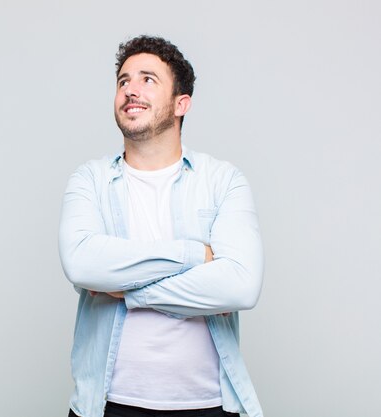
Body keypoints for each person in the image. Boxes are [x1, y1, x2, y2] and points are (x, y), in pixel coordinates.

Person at [58, 35, 264, 417]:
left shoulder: (222, 180)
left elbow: (240, 285)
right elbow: (82, 265)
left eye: (147, 79)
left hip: (210, 406)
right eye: (123, 81)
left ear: (181, 103)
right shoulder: (90, 180)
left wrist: (129, 292)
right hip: (107, 405)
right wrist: (193, 255)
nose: (130, 90)